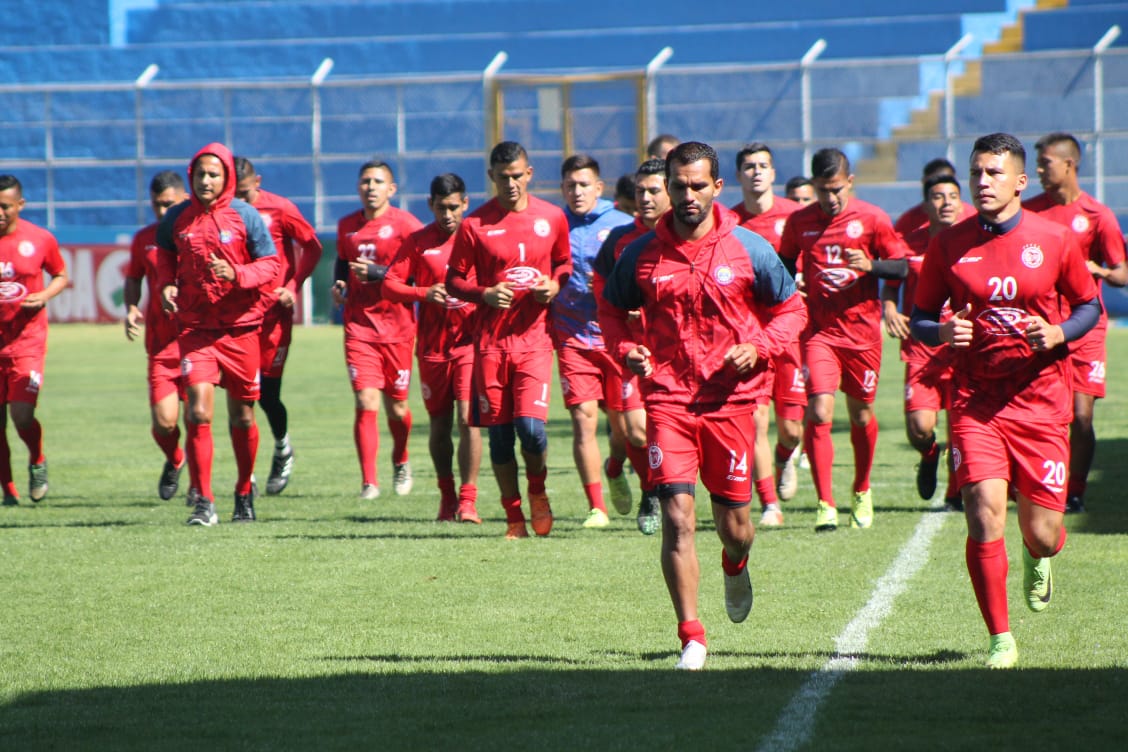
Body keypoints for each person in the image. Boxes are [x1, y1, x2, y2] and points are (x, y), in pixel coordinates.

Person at [600, 141, 806, 670]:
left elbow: (792, 310)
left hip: (731, 404)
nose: (687, 195)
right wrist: (627, 348)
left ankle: (734, 566)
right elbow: (613, 312)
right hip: (668, 401)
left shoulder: (749, 248)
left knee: (736, 528)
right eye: (678, 185)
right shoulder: (641, 254)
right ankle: (692, 635)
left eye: (698, 185)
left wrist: (759, 346)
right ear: (666, 188)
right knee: (677, 515)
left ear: (718, 187)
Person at [911, 132, 1100, 669]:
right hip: (975, 401)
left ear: (1020, 181)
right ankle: (1001, 638)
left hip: (1040, 401)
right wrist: (943, 332)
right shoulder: (948, 243)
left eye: (993, 173)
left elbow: (1088, 305)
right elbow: (923, 316)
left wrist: (1060, 334)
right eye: (976, 173)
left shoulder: (1056, 238)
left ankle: (1041, 555)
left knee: (1040, 532)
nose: (982, 182)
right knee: (983, 513)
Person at [446, 141, 572, 539]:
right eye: (503, 178)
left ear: (529, 173)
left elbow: (565, 264)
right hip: (490, 346)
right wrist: (483, 293)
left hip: (534, 341)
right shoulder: (474, 224)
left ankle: (537, 491)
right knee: (500, 437)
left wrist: (554, 285)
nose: (512, 183)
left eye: (518, 176)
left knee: (531, 431)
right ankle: (513, 515)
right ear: (492, 178)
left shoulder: (551, 217)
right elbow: (454, 279)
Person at [779, 148, 909, 532]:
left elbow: (901, 266)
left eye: (835, 189)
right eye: (822, 190)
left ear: (849, 183)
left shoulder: (872, 219)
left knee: (861, 415)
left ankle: (861, 489)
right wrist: (792, 288)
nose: (829, 198)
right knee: (819, 410)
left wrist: (871, 266)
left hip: (863, 336)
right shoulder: (800, 222)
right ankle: (825, 504)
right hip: (820, 333)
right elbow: (784, 266)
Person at [156, 143, 281, 525]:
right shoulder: (178, 218)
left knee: (243, 416)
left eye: (214, 174)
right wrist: (165, 285)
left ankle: (244, 492)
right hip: (196, 329)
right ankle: (204, 502)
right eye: (200, 174)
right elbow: (164, 254)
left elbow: (271, 264)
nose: (206, 180)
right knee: (197, 410)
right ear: (191, 176)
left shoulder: (245, 216)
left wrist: (238, 274)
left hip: (240, 329)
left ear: (226, 177)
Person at [1023, 132, 1127, 513]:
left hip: (1085, 328)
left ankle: (1076, 490)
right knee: (1042, 413)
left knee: (1081, 418)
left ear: (1070, 165)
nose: (1038, 170)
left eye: (1045, 162)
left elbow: (1122, 272)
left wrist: (1096, 269)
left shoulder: (1098, 216)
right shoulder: (1029, 212)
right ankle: (1038, 483)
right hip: (1042, 327)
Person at [382, 173, 483, 523]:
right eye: (441, 208)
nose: (448, 214)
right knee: (439, 425)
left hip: (470, 344)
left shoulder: (478, 237)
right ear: (430, 206)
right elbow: (390, 285)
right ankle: (447, 496)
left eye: (454, 207)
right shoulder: (418, 242)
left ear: (465, 204)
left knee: (469, 418)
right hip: (432, 349)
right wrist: (422, 293)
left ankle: (468, 501)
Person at [333, 160, 423, 499]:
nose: (371, 187)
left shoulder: (407, 226)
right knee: (366, 399)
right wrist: (339, 285)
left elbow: (419, 274)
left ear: (392, 189)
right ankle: (369, 481)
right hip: (359, 326)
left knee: (397, 407)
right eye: (365, 181)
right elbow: (342, 264)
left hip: (398, 328)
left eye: (378, 181)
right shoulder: (347, 227)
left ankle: (401, 459)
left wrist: (380, 273)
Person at [233, 157, 323, 496]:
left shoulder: (281, 209)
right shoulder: (224, 212)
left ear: (258, 181)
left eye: (244, 192)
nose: (239, 200)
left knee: (269, 396)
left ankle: (283, 447)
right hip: (239, 319)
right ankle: (248, 476)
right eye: (233, 193)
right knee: (243, 399)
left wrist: (294, 285)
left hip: (273, 319)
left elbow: (312, 247)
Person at [553, 154, 634, 529]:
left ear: (599, 188)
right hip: (571, 336)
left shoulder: (621, 224)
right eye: (570, 185)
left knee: (622, 426)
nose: (577, 192)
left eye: (584, 185)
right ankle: (596, 508)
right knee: (583, 419)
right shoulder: (554, 224)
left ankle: (615, 466)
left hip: (615, 338)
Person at [593, 157, 669, 535]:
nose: (645, 198)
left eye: (654, 190)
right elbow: (602, 293)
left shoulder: (687, 236)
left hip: (675, 352)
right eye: (640, 191)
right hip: (631, 352)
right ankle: (650, 493)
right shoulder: (620, 241)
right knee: (636, 433)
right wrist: (627, 315)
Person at [731, 143, 805, 527]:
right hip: (749, 338)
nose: (756, 172)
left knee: (791, 430)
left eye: (763, 166)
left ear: (774, 174)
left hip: (788, 338)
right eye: (749, 166)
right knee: (756, 420)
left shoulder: (794, 217)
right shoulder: (728, 222)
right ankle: (769, 503)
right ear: (738, 176)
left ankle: (784, 456)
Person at [882, 173, 964, 510]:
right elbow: (892, 278)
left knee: (962, 427)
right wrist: (888, 307)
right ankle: (930, 456)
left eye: (952, 196)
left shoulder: (973, 241)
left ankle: (954, 493)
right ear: (926, 205)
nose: (946, 203)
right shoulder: (908, 242)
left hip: (961, 349)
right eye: (938, 197)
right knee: (919, 428)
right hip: (921, 348)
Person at [0, 175, 67, 506]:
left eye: (5, 206)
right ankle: (9, 491)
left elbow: (61, 274)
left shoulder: (40, 239)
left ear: (19, 205)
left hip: (27, 341)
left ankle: (37, 459)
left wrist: (43, 296)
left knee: (22, 416)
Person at [124, 170, 189, 501]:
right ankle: (176, 459)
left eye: (169, 204)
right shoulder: (144, 239)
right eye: (157, 206)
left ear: (184, 201)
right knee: (164, 424)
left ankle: (200, 489)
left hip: (196, 343)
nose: (163, 213)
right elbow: (134, 278)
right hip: (161, 347)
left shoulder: (197, 235)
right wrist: (132, 307)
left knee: (197, 417)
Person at [894, 158, 975, 236]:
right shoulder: (909, 221)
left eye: (946, 180)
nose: (947, 202)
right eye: (938, 196)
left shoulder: (973, 216)